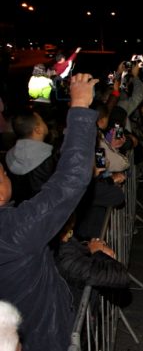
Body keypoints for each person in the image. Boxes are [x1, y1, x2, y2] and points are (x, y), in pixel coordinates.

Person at [0, 73, 98, 351]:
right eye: (1, 174)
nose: (6, 173)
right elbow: (69, 181)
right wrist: (79, 107)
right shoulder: (13, 232)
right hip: (41, 338)